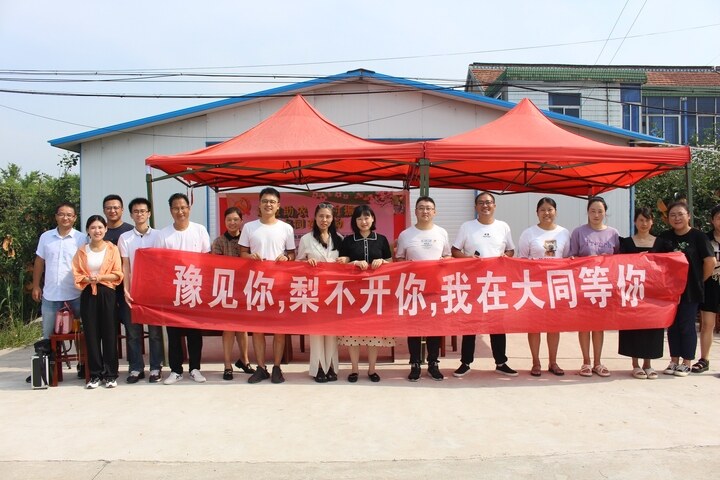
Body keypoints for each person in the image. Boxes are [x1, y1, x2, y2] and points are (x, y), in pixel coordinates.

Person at [451, 191, 518, 378]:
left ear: (494, 206)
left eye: (488, 202)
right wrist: (468, 258)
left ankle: (501, 362)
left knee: (497, 324)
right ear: (476, 207)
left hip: (496, 283)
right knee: (470, 323)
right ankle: (465, 362)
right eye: (481, 203)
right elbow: (455, 250)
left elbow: (511, 250)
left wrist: (505, 256)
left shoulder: (503, 227)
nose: (485, 205)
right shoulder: (467, 227)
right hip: (473, 283)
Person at [239, 187, 296, 384]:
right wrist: (250, 256)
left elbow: (292, 254)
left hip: (279, 284)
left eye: (272, 201)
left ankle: (277, 367)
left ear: (278, 205)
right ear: (259, 204)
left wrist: (287, 258)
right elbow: (242, 253)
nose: (268, 204)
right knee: (258, 329)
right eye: (265, 201)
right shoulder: (249, 227)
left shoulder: (286, 228)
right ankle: (261, 367)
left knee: (279, 329)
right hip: (257, 284)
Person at [155, 193, 212, 385]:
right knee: (173, 333)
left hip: (195, 288)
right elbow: (159, 263)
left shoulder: (200, 230)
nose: (180, 211)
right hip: (173, 289)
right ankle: (175, 370)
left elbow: (207, 259)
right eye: (176, 208)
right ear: (170, 210)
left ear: (189, 208)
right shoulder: (163, 234)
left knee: (194, 332)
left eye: (183, 207)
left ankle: (195, 368)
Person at [395, 196, 451, 382]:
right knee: (414, 326)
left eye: (428, 208)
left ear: (434, 212)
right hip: (414, 288)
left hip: (436, 287)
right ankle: (415, 363)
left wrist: (443, 262)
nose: (425, 211)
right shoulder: (406, 235)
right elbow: (399, 259)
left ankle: (433, 363)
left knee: (435, 326)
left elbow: (448, 256)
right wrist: (408, 265)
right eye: (421, 208)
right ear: (415, 211)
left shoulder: (441, 233)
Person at [337, 204, 394, 383]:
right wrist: (353, 262)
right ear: (354, 221)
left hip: (376, 293)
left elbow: (391, 263)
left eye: (367, 217)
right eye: (359, 218)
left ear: (373, 219)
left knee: (373, 332)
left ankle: (371, 369)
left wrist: (382, 261)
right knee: (352, 333)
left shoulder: (382, 239)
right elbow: (341, 263)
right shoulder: (348, 240)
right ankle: (354, 369)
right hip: (353, 293)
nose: (363, 221)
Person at [658, 201, 715, 377]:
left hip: (691, 290)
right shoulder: (665, 237)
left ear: (688, 216)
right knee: (672, 326)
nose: (677, 218)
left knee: (687, 325)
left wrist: (699, 280)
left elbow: (710, 261)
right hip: (670, 291)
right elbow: (655, 260)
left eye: (680, 214)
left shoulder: (698, 237)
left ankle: (686, 362)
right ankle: (674, 360)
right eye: (672, 215)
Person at [517, 197, 570, 377]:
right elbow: (522, 260)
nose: (546, 213)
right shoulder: (529, 233)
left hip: (556, 286)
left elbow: (567, 258)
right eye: (543, 210)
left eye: (550, 209)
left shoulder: (564, 233)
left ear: (556, 212)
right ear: (537, 213)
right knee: (535, 325)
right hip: (534, 286)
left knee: (554, 326)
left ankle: (553, 362)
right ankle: (536, 362)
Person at [617, 207, 672, 380]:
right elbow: (618, 265)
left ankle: (648, 364)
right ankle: (635, 364)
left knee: (651, 326)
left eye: (647, 220)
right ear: (635, 222)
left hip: (653, 293)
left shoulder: (661, 243)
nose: (644, 223)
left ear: (652, 222)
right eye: (641, 220)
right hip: (632, 292)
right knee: (634, 327)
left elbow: (668, 265)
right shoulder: (626, 243)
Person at [569, 196, 619, 378]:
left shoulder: (613, 233)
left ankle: (598, 362)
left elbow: (619, 260)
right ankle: (586, 362)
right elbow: (571, 257)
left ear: (605, 213)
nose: (596, 215)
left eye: (600, 211)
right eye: (592, 211)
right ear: (587, 212)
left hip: (604, 287)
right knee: (584, 325)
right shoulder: (578, 232)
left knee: (599, 325)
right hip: (584, 285)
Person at [72, 215, 123, 389]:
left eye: (100, 227)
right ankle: (95, 374)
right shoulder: (82, 251)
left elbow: (118, 273)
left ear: (106, 229)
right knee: (91, 335)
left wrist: (100, 277)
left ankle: (110, 374)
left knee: (109, 334)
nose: (97, 231)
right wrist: (89, 279)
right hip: (88, 293)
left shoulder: (112, 249)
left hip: (107, 293)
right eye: (93, 228)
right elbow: (77, 274)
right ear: (88, 230)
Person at [118, 198, 164, 383]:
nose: (140, 214)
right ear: (131, 215)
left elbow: (163, 263)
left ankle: (156, 368)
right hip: (133, 291)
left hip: (153, 292)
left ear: (149, 213)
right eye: (136, 211)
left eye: (143, 211)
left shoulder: (159, 236)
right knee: (133, 333)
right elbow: (125, 265)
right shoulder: (125, 238)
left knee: (155, 333)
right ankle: (136, 368)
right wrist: (126, 289)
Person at [296, 202, 344, 383]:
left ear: (333, 219)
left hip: (334, 291)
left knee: (331, 331)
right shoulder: (306, 239)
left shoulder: (339, 239)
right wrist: (306, 263)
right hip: (314, 291)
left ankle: (331, 366)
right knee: (316, 331)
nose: (324, 220)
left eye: (328, 216)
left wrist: (344, 260)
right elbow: (298, 263)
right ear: (315, 218)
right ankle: (318, 368)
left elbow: (345, 262)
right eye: (321, 216)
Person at [32, 202, 86, 340]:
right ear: (56, 216)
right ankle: (50, 355)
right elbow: (39, 262)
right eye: (61, 214)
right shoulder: (46, 237)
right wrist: (36, 286)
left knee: (79, 336)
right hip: (51, 296)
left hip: (75, 295)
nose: (65, 218)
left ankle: (81, 356)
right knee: (48, 337)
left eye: (69, 215)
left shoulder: (81, 238)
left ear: (75, 218)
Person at [211, 206, 254, 381]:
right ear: (224, 221)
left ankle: (245, 360)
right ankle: (227, 365)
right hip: (226, 289)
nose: (232, 222)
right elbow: (215, 265)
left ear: (241, 221)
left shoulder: (247, 241)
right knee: (228, 328)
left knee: (243, 328)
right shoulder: (218, 242)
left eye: (236, 219)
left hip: (245, 289)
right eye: (229, 219)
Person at [101, 195, 139, 381]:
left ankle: (135, 368)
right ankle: (109, 370)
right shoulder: (99, 231)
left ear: (122, 210)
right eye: (109, 208)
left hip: (127, 290)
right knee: (107, 332)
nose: (112, 211)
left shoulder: (130, 232)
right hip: (105, 290)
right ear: (104, 210)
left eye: (116, 207)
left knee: (132, 331)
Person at [693, 204, 720, 374]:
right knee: (707, 324)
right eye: (718, 218)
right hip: (710, 284)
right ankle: (704, 359)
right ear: (712, 220)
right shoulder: (705, 239)